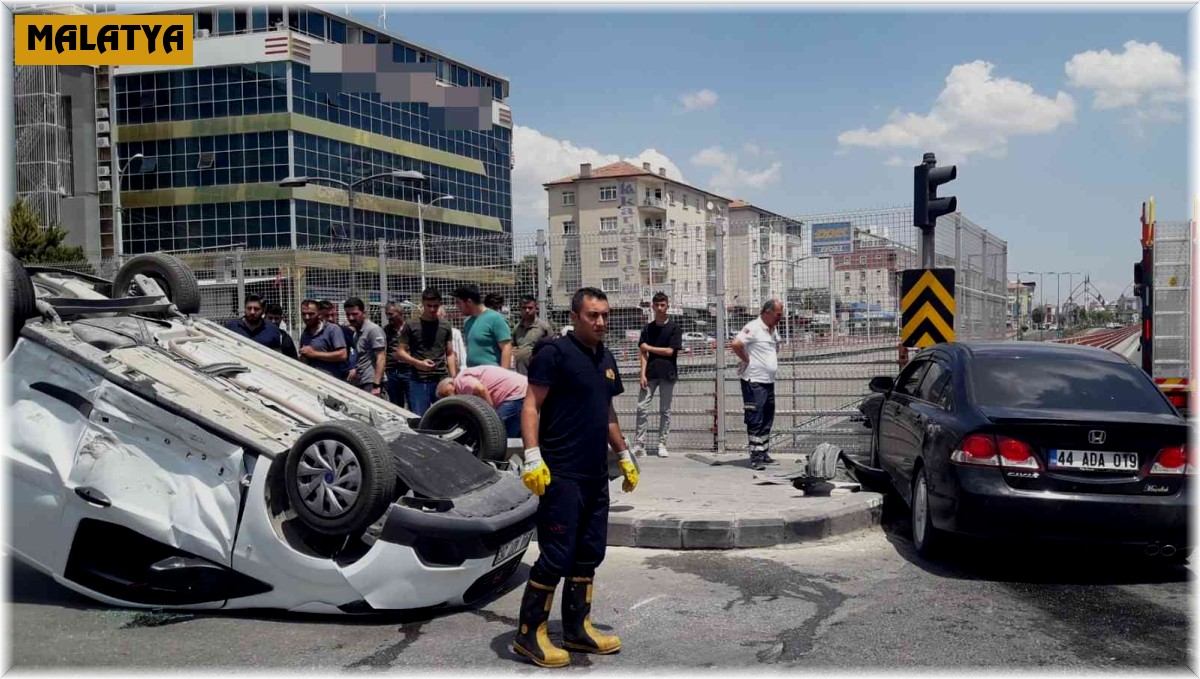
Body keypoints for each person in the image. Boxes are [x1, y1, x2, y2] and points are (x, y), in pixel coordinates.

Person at [511, 287, 638, 668]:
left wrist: (624, 455)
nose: (601, 322)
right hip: (561, 472)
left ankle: (576, 629)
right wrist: (532, 456)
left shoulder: (606, 356)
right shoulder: (554, 352)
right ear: (575, 316)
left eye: (604, 315)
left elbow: (608, 411)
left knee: (589, 554)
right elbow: (531, 404)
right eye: (592, 315)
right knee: (557, 556)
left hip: (594, 473)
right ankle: (528, 636)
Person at [731, 299, 784, 470]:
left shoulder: (772, 329)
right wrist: (747, 360)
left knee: (767, 417)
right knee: (755, 418)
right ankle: (755, 456)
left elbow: (777, 345)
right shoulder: (754, 327)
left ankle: (763, 452)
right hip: (754, 381)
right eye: (778, 315)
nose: (780, 319)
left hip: (768, 382)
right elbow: (736, 344)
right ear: (767, 312)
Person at [634, 292, 682, 458]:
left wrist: (650, 348)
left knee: (665, 410)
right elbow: (642, 352)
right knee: (641, 408)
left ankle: (662, 443)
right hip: (650, 374)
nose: (660, 308)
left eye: (662, 305)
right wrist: (642, 374)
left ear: (667, 306)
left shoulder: (674, 328)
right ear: (652, 307)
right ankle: (640, 444)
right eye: (656, 305)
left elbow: (670, 351)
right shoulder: (648, 328)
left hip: (667, 374)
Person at [397, 288, 458, 415]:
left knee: (447, 415)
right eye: (429, 306)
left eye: (435, 306)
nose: (432, 309)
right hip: (418, 380)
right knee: (420, 418)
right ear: (422, 304)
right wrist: (418, 363)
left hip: (441, 378)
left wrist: (453, 378)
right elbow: (400, 352)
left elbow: (450, 353)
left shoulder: (445, 325)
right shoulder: (411, 325)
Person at [436, 365, 526, 438]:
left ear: (450, 383)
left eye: (445, 393)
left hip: (515, 393)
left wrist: (491, 412)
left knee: (497, 431)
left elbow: (481, 389)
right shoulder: (464, 380)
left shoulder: (460, 381)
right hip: (520, 389)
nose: (447, 397)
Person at [454, 284, 512, 369]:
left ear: (469, 302)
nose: (457, 306)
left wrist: (504, 374)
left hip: (492, 374)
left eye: (459, 303)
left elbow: (506, 347)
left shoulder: (495, 318)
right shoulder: (467, 322)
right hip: (473, 375)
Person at [344, 297, 387, 397]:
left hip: (372, 383)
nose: (351, 318)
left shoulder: (373, 330)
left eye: (355, 314)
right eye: (348, 314)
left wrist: (376, 385)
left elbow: (381, 358)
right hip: (362, 381)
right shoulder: (356, 334)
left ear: (364, 313)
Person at [297, 299, 349, 378]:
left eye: (311, 314)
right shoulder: (305, 334)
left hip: (330, 380)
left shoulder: (332, 330)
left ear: (319, 314)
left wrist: (314, 354)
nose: (307, 317)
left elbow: (342, 355)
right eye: (304, 314)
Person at [513, 295, 553, 376]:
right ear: (520, 309)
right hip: (520, 372)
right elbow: (514, 346)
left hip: (538, 371)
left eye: (530, 308)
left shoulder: (544, 327)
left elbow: (552, 348)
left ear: (536, 308)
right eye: (524, 308)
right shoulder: (517, 327)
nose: (527, 310)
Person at [383, 302, 411, 408]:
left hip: (409, 371)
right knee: (395, 404)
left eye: (391, 314)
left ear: (400, 313)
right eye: (386, 314)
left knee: (412, 401)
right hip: (392, 372)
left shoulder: (410, 327)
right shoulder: (386, 330)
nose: (388, 317)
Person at [319, 299, 353, 381]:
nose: (331, 319)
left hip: (343, 375)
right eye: (326, 316)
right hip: (323, 375)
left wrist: (355, 368)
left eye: (333, 315)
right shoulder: (313, 333)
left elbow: (361, 349)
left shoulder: (344, 331)